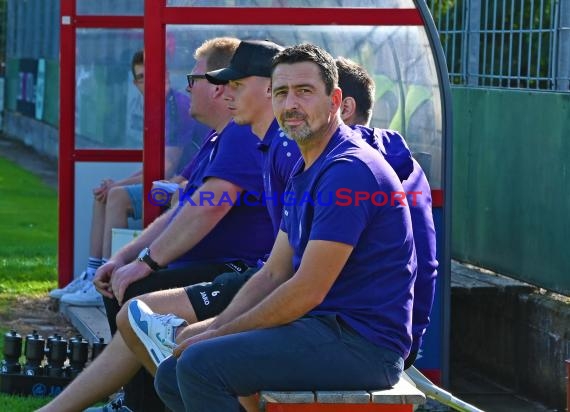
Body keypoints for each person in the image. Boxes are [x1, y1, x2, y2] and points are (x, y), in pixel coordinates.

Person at [153, 43, 417, 412]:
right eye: (281, 93)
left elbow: (306, 290)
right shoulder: (304, 168)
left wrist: (218, 335)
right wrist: (214, 328)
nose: (291, 104)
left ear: (335, 100)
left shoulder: (349, 171)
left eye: (304, 92)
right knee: (173, 372)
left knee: (201, 366)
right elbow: (274, 272)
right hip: (322, 328)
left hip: (362, 345)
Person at [38, 37, 274, 412]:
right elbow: (182, 210)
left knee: (137, 292)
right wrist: (130, 255)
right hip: (226, 270)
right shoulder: (223, 137)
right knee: (125, 284)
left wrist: (146, 263)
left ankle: (139, 404)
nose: (188, 88)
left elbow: (207, 209)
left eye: (194, 79)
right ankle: (133, 401)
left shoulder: (244, 135)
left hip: (240, 269)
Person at [49, 50, 210, 307]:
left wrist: (118, 185)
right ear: (135, 84)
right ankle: (93, 273)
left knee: (116, 196)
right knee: (105, 195)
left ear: (166, 76)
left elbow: (164, 168)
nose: (148, 82)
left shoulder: (176, 106)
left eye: (153, 75)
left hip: (178, 185)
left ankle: (107, 282)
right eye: (141, 77)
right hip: (170, 182)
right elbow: (154, 166)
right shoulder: (157, 107)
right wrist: (115, 184)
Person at [335, 56, 438, 368]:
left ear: (344, 107)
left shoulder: (342, 167)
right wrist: (415, 333)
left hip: (351, 337)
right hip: (403, 336)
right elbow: (427, 261)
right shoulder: (409, 164)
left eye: (306, 93)